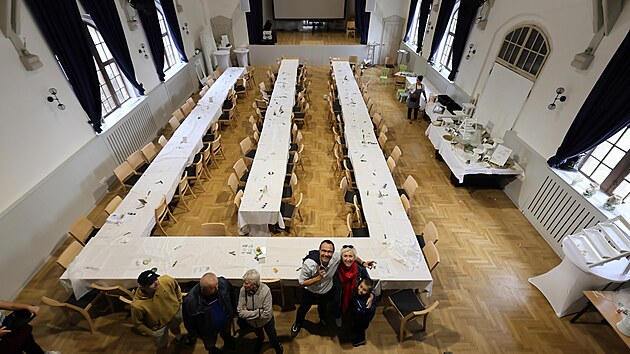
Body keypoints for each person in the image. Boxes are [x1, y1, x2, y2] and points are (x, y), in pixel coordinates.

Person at [290, 240, 373, 338]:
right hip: (310, 291)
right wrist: (318, 278)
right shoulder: (309, 264)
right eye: (323, 251)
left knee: (323, 307)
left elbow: (350, 255)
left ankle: (323, 319)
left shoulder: (336, 258)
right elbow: (301, 283)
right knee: (303, 309)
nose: (326, 254)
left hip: (326, 291)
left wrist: (363, 263)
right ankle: (298, 324)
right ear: (319, 251)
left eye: (329, 252)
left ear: (333, 253)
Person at [130, 269, 184, 354]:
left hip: (175, 314)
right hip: (159, 328)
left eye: (156, 279)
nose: (156, 282)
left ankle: (179, 337)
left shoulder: (166, 280)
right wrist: (152, 333)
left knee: (176, 327)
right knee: (162, 346)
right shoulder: (137, 305)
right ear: (143, 287)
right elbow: (138, 323)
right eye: (151, 283)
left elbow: (176, 288)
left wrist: (179, 302)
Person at [183, 272, 236, 354]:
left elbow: (232, 293)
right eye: (213, 288)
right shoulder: (190, 301)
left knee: (226, 334)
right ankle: (213, 350)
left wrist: (233, 311)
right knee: (210, 344)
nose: (217, 288)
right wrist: (197, 335)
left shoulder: (222, 283)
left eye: (217, 285)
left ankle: (227, 341)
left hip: (225, 321)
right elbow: (189, 322)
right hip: (208, 331)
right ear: (203, 289)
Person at [236, 269, 283, 354]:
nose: (244, 285)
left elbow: (267, 314)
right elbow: (240, 312)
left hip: (266, 321)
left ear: (254, 285)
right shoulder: (243, 290)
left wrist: (247, 312)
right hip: (252, 322)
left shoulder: (265, 291)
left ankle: (277, 346)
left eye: (246, 283)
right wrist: (258, 312)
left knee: (272, 335)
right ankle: (260, 340)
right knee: (259, 334)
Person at [333, 245, 373, 328]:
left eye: (350, 256)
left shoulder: (360, 269)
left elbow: (368, 281)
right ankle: (338, 316)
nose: (348, 259)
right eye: (345, 256)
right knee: (337, 306)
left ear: (354, 257)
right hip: (339, 295)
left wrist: (371, 295)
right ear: (341, 257)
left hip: (354, 295)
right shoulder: (335, 268)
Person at [350, 278, 377, 347]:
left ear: (368, 292)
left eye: (364, 290)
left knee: (361, 329)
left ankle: (361, 340)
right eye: (361, 287)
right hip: (357, 314)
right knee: (356, 326)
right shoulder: (362, 287)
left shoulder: (366, 304)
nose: (360, 290)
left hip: (363, 319)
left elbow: (365, 315)